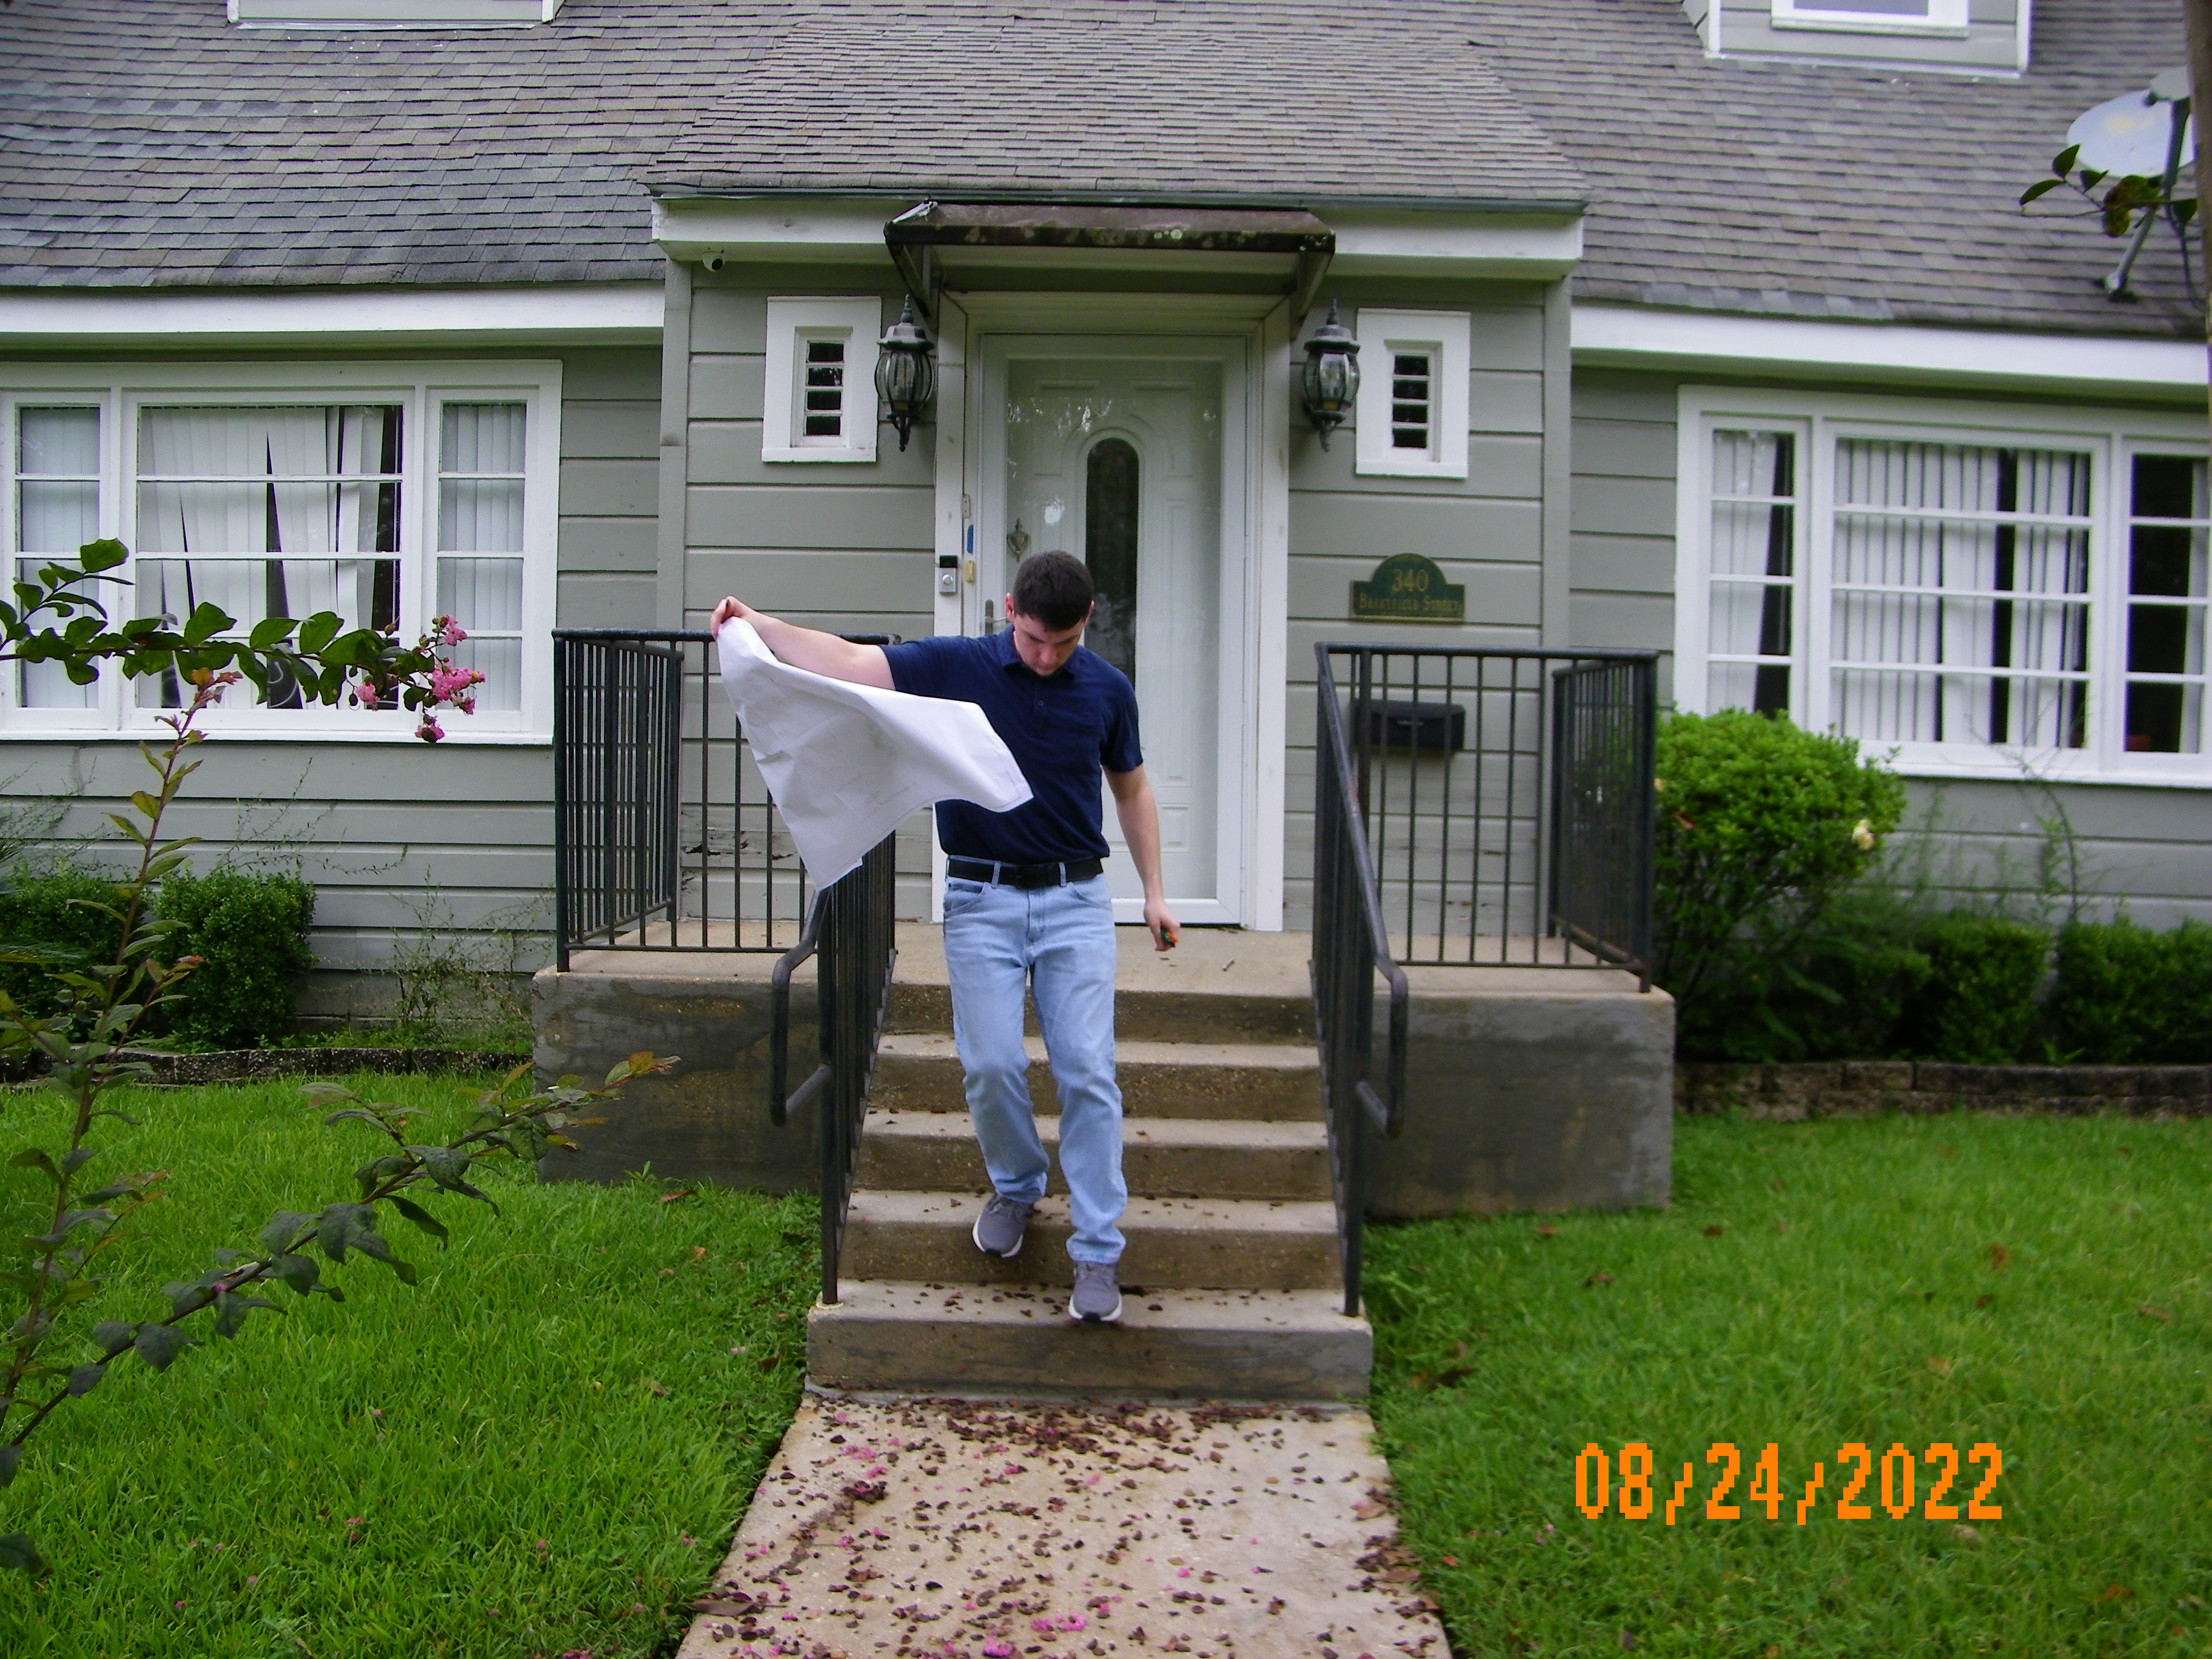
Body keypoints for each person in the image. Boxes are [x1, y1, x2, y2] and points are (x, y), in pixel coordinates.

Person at [709, 552, 1177, 1324]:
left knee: (1088, 1072)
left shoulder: (1107, 689)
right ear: (1009, 610)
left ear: (1087, 621)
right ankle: (1018, 1187)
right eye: (1034, 640)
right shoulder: (957, 666)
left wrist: (1155, 892)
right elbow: (850, 664)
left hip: (1076, 901)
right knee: (991, 1065)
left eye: (1063, 643)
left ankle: (1097, 1249)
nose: (1047, 657)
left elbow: (1131, 788)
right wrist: (756, 623)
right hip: (981, 898)